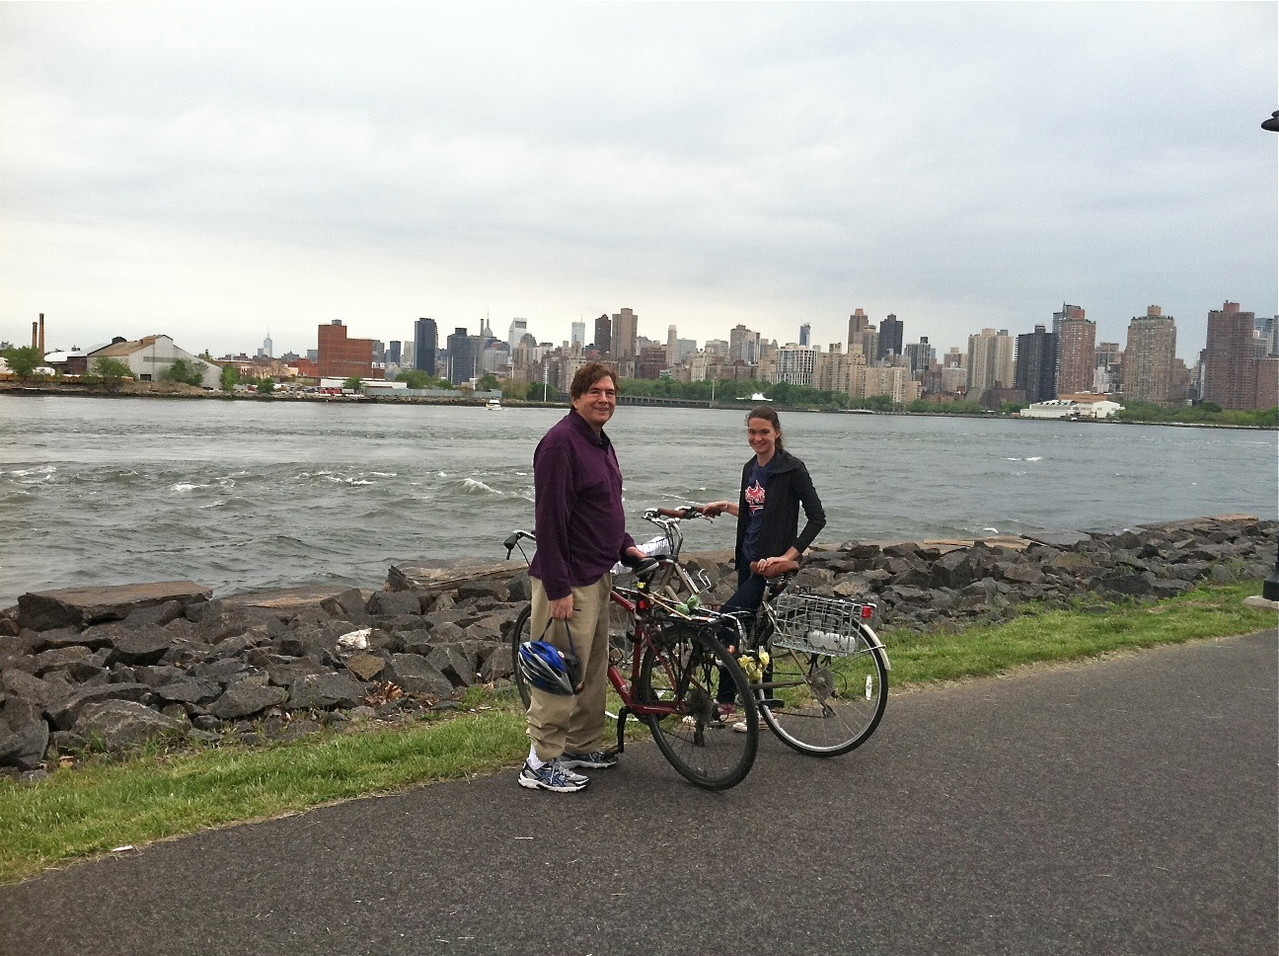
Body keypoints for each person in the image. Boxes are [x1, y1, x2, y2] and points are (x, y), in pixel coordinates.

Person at [520, 362, 647, 793]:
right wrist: (557, 588)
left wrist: (624, 544)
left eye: (611, 392)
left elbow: (604, 507)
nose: (605, 399)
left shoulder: (599, 442)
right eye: (595, 391)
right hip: (569, 578)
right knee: (559, 671)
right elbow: (551, 521)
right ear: (575, 396)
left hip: (598, 573)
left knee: (591, 670)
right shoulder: (560, 444)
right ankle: (539, 762)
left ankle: (578, 745)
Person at [701, 406, 826, 728]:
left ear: (777, 433)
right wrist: (728, 506)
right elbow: (756, 513)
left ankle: (729, 702)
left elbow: (817, 517)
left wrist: (789, 557)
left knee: (728, 621)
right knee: (754, 633)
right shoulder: (750, 468)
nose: (757, 438)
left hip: (772, 568)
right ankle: (757, 707)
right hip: (748, 560)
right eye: (752, 433)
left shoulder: (792, 469)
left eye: (764, 432)